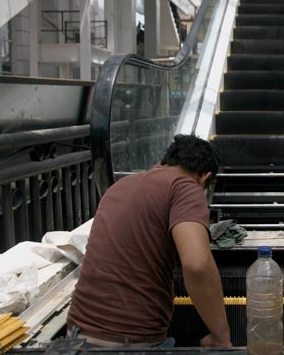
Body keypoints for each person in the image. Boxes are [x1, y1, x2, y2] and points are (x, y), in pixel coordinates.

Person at [66, 134, 232, 348]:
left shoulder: (119, 186)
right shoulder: (186, 186)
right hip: (131, 342)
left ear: (166, 160)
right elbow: (197, 265)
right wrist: (221, 337)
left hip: (75, 336)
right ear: (204, 177)